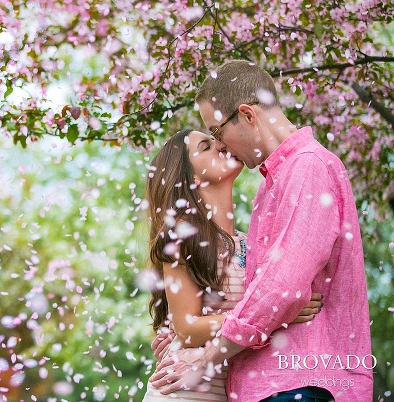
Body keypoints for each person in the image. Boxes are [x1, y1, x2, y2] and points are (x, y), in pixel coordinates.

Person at [149, 61, 373, 401]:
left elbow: (282, 287)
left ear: (247, 115)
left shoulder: (307, 167)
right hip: (241, 384)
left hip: (295, 380)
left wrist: (210, 343)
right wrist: (183, 331)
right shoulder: (269, 187)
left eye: (217, 132)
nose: (221, 145)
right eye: (210, 142)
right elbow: (268, 296)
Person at [141, 129, 321, 402]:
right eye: (206, 146)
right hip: (182, 392)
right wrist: (276, 314)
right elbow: (188, 330)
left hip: (232, 390)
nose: (220, 145)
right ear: (193, 179)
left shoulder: (250, 242)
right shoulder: (182, 237)